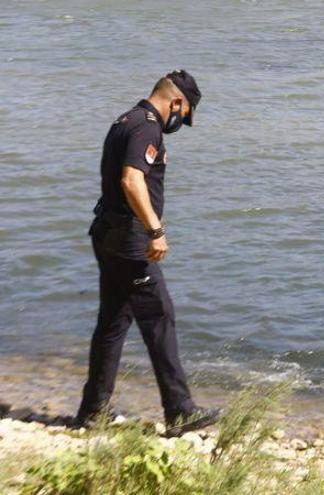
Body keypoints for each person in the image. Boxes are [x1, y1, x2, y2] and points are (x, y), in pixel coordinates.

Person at [75, 70, 219, 436]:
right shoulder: (147, 127)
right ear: (175, 102)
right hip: (130, 240)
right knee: (159, 317)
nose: (180, 123)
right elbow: (131, 180)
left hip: (107, 232)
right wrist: (155, 230)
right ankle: (180, 411)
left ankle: (92, 413)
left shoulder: (126, 119)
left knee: (112, 323)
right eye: (183, 115)